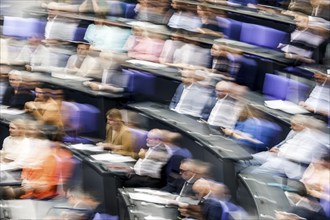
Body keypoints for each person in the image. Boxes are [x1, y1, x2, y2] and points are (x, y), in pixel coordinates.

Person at [250, 116, 328, 179]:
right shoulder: (297, 131)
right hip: (276, 156)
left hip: (286, 163)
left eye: (294, 125)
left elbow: (300, 157)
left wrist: (280, 152)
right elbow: (285, 142)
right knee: (248, 159)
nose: (291, 127)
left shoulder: (313, 139)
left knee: (253, 174)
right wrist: (276, 148)